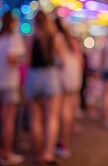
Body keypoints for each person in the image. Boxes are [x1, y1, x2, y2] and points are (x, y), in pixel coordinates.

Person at [25, 11, 63, 165]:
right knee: (52, 118)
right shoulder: (54, 37)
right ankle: (48, 153)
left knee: (36, 120)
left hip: (34, 77)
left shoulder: (30, 37)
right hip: (50, 78)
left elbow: (27, 60)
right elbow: (62, 60)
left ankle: (38, 153)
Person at [54, 18, 83, 159]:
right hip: (74, 72)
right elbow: (79, 59)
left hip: (64, 73)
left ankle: (63, 143)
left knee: (63, 108)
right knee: (69, 107)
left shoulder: (58, 38)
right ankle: (64, 141)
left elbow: (61, 60)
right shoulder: (70, 39)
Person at [0, 11, 26, 165]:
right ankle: (7, 154)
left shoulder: (1, 38)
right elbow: (12, 57)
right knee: (8, 121)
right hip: (10, 84)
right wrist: (21, 59)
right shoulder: (14, 38)